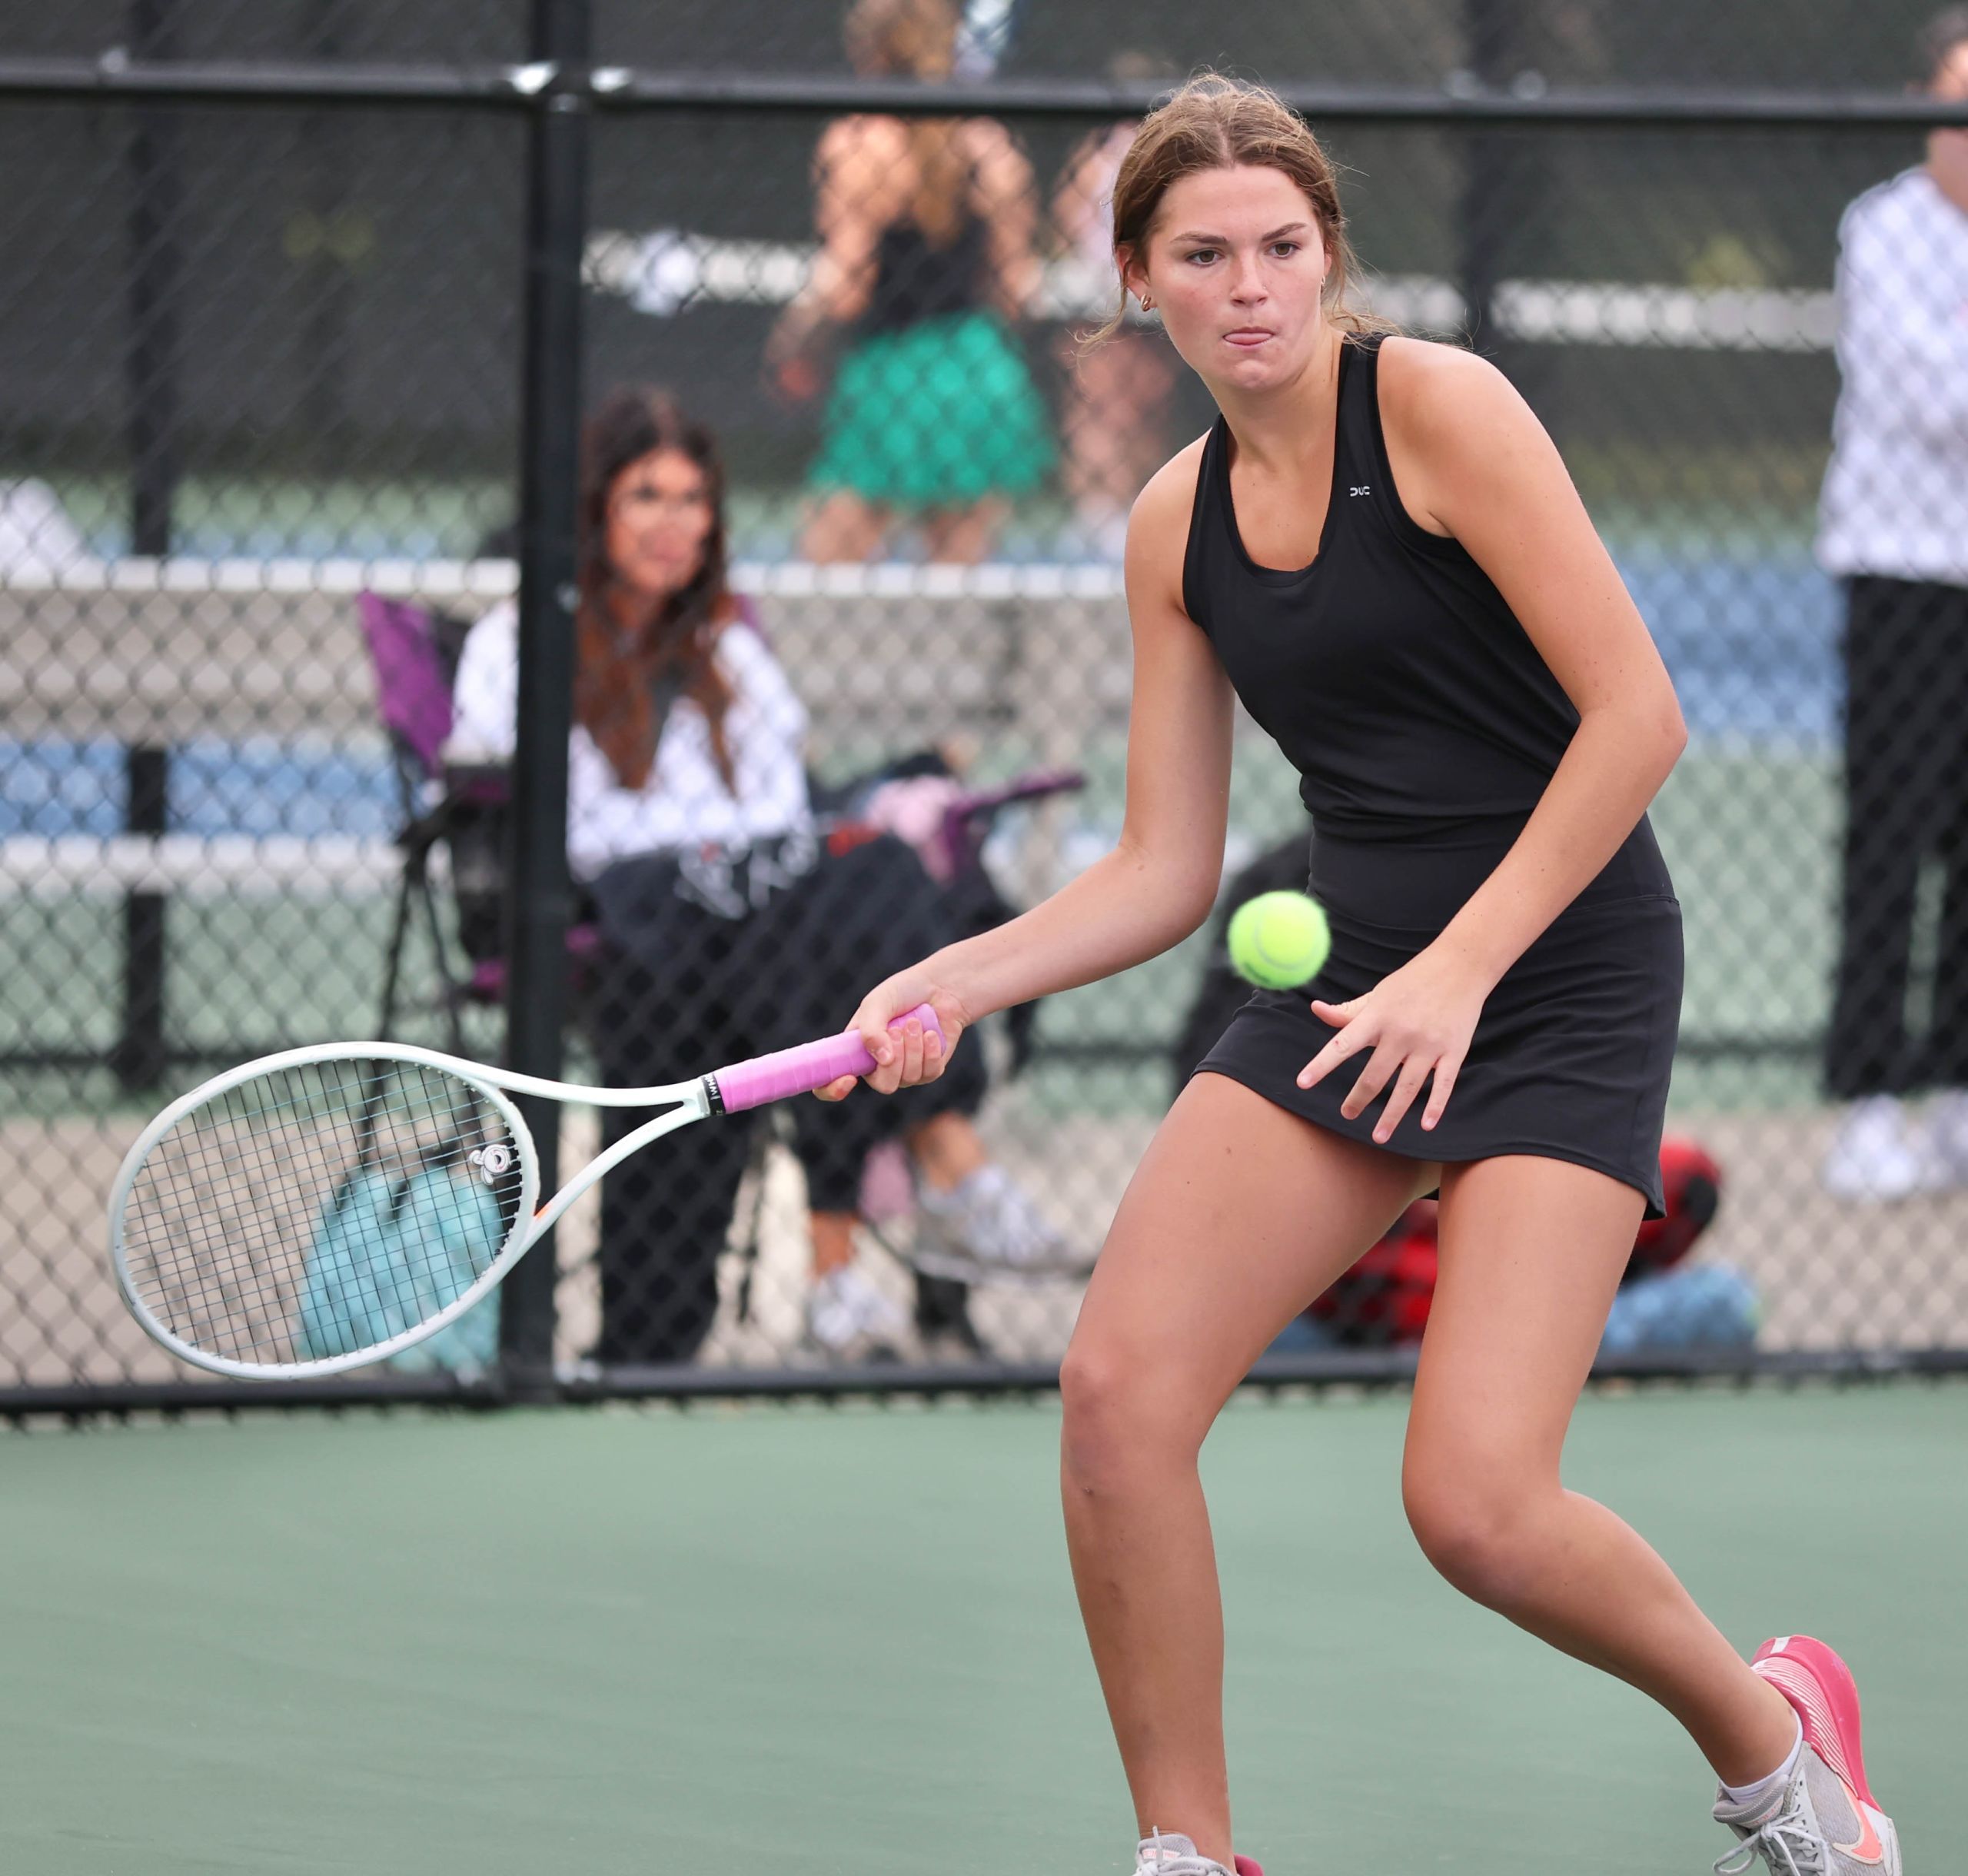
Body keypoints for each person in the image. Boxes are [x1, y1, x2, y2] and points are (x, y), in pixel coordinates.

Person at [821, 76, 1901, 1876]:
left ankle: (1776, 1748)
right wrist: (952, 974)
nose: (1245, 285)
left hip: (1556, 964)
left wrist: (1463, 973)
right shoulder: (1169, 525)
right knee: (1115, 1397)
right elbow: (1162, 866)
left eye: (1277, 246)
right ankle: (1189, 1849)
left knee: (1474, 1505)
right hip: (1358, 979)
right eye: (1200, 255)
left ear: (1326, 252)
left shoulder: (1438, 411)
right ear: (1136, 279)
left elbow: (1636, 716)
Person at [445, 386, 1075, 1365]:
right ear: (595, 511)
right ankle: (925, 1188)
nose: (673, 522)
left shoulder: (728, 645)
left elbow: (782, 811)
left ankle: (847, 1266)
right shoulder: (519, 639)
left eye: (692, 500)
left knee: (855, 882)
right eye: (646, 496)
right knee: (861, 886)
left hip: (757, 909)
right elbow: (509, 798)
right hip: (621, 908)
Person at [1817, 5, 1968, 1202]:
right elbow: (1928, 400)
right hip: (1902, 572)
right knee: (1892, 837)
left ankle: (1959, 1090)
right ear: (1923, 106)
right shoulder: (1881, 228)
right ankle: (1868, 1101)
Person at [765, 0, 1055, 564]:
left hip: (892, 366)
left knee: (829, 569)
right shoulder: (989, 144)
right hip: (977, 368)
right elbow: (1016, 288)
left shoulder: (858, 142)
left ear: (869, 53)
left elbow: (846, 286)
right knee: (955, 580)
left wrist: (793, 336)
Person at [1051, 52, 1181, 560]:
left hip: (1118, 300)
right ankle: (1113, 522)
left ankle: (1106, 522)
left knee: (1103, 414)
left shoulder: (1106, 157)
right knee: (1129, 412)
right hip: (1132, 300)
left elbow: (1066, 224)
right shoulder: (1164, 157)